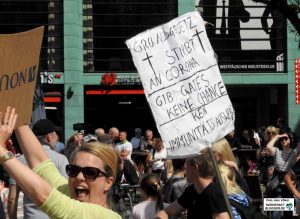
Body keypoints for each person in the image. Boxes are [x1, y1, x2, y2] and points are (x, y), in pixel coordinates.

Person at [0, 106, 121, 218]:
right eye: (73, 170)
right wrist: (14, 110)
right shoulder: (70, 193)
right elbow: (42, 165)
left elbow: (45, 196)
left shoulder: (106, 216)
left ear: (108, 182)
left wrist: (2, 151)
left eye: (90, 172)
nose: (79, 177)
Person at [8, 119, 69, 219]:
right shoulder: (61, 159)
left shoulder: (18, 160)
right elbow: (67, 193)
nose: (57, 138)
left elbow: (12, 199)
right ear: (50, 137)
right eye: (56, 135)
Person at [154, 149, 230, 219]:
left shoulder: (214, 194)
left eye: (186, 165)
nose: (185, 169)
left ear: (195, 168)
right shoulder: (192, 191)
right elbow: (167, 212)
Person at [265, 131, 298, 219]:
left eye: (286, 138)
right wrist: (278, 136)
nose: (283, 140)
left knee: (288, 211)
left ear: (290, 140)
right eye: (281, 139)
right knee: (276, 211)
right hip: (277, 184)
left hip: (288, 185)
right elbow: (268, 146)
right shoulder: (277, 151)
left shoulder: (294, 152)